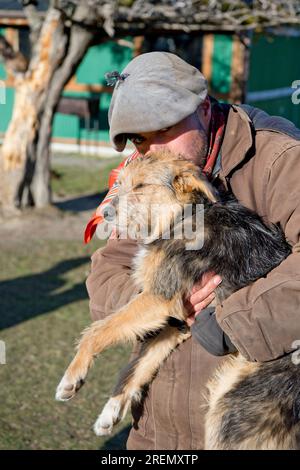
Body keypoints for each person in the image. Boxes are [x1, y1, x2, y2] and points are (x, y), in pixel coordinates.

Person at [85, 52, 300, 450]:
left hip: (251, 421)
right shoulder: (144, 173)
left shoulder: (279, 158)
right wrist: (155, 303)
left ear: (202, 108)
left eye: (163, 128)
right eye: (139, 139)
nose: (152, 148)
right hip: (153, 431)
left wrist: (231, 322)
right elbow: (106, 270)